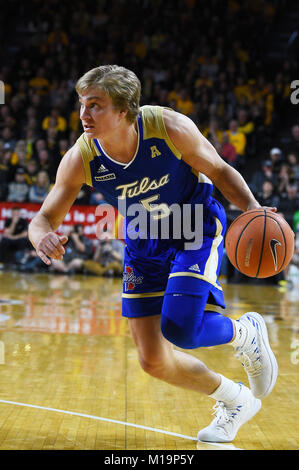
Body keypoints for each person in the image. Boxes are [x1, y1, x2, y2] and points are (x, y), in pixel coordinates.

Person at [28, 65, 278, 443]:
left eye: (95, 105)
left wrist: (253, 209)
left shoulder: (169, 127)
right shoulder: (81, 157)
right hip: (143, 245)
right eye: (82, 104)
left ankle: (244, 333)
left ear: (124, 110)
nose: (83, 115)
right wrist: (42, 236)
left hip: (194, 227)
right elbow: (43, 218)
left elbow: (221, 170)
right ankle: (235, 399)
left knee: (179, 329)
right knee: (153, 360)